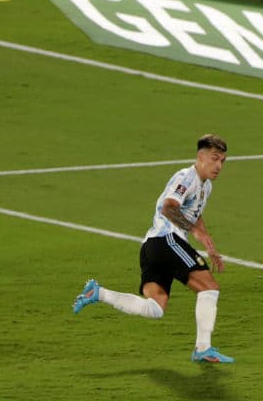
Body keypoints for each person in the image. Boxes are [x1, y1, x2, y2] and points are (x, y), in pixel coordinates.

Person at [72, 134, 234, 364]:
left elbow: (195, 216)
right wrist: (194, 232)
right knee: (209, 287)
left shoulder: (205, 187)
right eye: (215, 158)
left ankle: (98, 293)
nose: (218, 166)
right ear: (200, 157)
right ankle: (203, 349)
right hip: (165, 240)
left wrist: (208, 243)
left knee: (155, 308)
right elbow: (169, 208)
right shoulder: (186, 177)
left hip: (150, 247)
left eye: (223, 161)